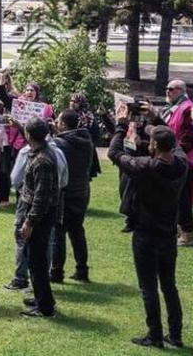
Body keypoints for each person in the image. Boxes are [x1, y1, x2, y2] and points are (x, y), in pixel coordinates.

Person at [109, 112, 188, 348]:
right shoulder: (182, 165)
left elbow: (114, 153)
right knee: (169, 286)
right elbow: (178, 147)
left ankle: (154, 334)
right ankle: (175, 335)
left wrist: (121, 126)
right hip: (168, 233)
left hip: (146, 233)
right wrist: (159, 121)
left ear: (153, 145)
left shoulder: (144, 166)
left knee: (149, 287)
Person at [17, 119, 59, 318]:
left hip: (40, 215)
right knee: (35, 259)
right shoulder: (40, 151)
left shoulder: (42, 160)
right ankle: (43, 297)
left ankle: (45, 306)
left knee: (37, 261)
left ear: (29, 135)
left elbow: (42, 196)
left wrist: (30, 221)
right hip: (38, 212)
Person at [51, 109, 94, 283]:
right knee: (77, 231)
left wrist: (54, 136)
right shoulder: (87, 140)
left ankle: (56, 272)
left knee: (58, 233)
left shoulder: (59, 143)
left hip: (65, 193)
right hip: (82, 190)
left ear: (62, 124)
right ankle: (82, 270)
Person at [160, 80, 193, 246]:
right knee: (173, 196)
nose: (168, 92)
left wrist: (178, 153)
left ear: (182, 90)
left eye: (172, 89)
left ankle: (187, 232)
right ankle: (178, 229)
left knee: (183, 197)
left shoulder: (188, 107)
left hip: (185, 159)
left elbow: (189, 135)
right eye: (167, 89)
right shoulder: (172, 108)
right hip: (173, 155)